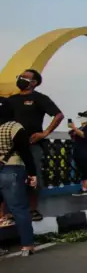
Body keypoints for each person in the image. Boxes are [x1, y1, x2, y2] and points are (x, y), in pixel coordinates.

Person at [8, 69, 64, 221]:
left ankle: (32, 210)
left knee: (34, 177)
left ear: (34, 83)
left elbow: (58, 115)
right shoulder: (11, 100)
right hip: (10, 147)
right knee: (9, 179)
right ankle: (9, 211)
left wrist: (45, 133)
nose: (21, 78)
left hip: (32, 144)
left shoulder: (39, 98)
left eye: (25, 77)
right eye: (20, 76)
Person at [0, 97, 38, 257]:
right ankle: (27, 246)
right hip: (12, 169)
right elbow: (25, 152)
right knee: (19, 209)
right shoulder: (14, 127)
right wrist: (32, 173)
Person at [69, 111, 87, 196]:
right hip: (78, 153)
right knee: (82, 172)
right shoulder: (80, 128)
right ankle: (83, 188)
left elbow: (85, 136)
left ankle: (84, 190)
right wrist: (74, 131)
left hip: (85, 154)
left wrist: (74, 128)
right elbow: (73, 136)